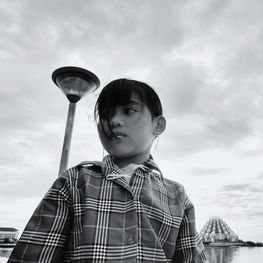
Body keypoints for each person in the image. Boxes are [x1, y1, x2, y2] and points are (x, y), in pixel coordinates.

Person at [8, 78, 208, 262]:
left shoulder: (177, 196)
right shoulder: (74, 181)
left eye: (129, 110)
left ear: (158, 125)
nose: (113, 121)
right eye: (105, 114)